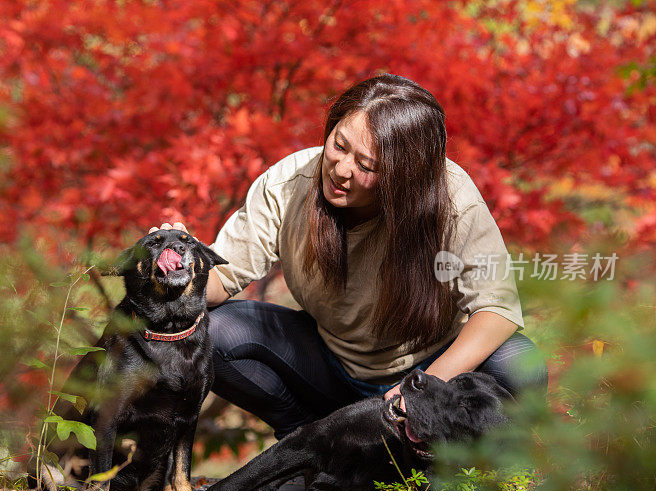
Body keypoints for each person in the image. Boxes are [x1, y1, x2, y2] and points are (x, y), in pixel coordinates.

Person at [150, 74, 547, 440]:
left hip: (433, 369)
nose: (340, 169)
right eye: (339, 145)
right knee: (210, 329)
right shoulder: (290, 183)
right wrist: (180, 267)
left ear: (404, 177)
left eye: (367, 165)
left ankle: (459, 460)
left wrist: (425, 389)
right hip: (329, 368)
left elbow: (497, 310)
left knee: (517, 362)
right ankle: (308, 442)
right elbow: (219, 281)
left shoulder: (450, 198)